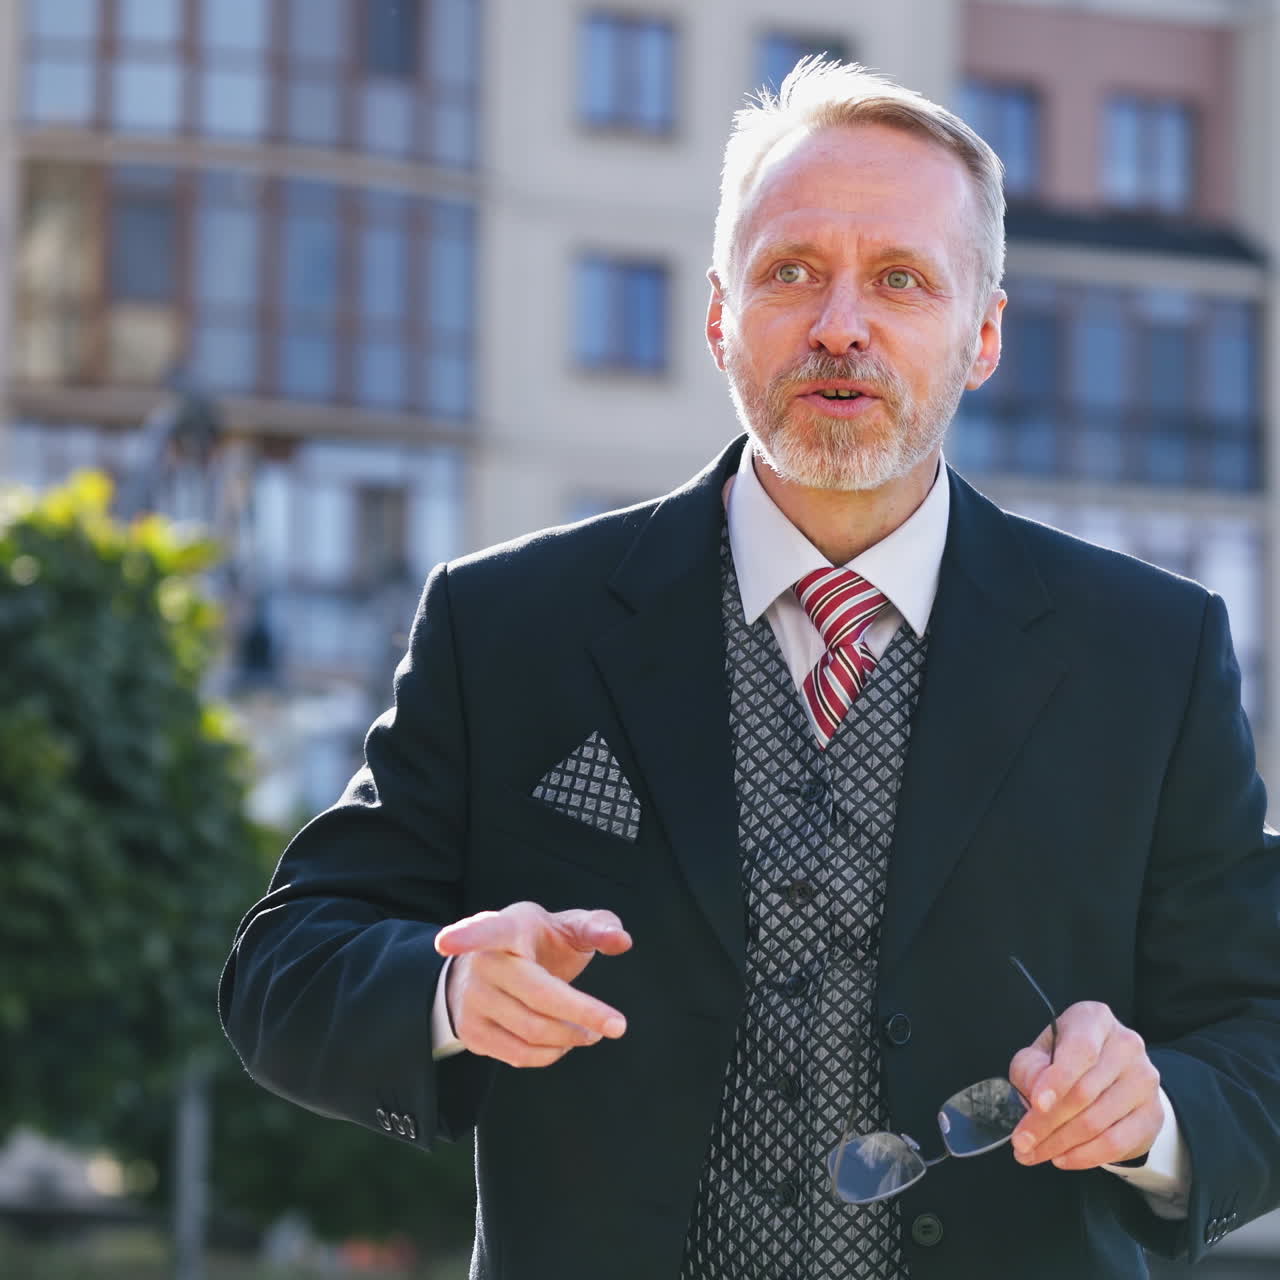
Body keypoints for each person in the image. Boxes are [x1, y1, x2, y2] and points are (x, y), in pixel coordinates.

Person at [219, 60, 1280, 1279]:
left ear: (981, 333)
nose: (840, 323)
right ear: (719, 314)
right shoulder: (507, 624)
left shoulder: (1146, 652)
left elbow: (1257, 1029)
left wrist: (1149, 1116)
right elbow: (284, 969)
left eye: (899, 279)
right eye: (790, 273)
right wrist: (449, 997)